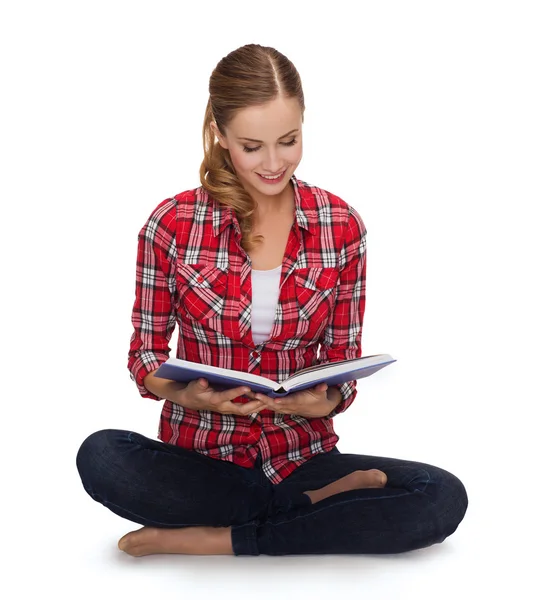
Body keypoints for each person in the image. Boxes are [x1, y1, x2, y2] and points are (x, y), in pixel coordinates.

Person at [76, 43, 468, 557]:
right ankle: (313, 511)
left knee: (441, 498)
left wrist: (321, 400)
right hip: (201, 461)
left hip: (302, 456)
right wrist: (187, 395)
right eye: (252, 146)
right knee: (101, 454)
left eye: (288, 140)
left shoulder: (341, 225)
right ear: (219, 135)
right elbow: (145, 354)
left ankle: (224, 538)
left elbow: (342, 366)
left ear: (304, 123)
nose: (273, 162)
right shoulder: (170, 224)